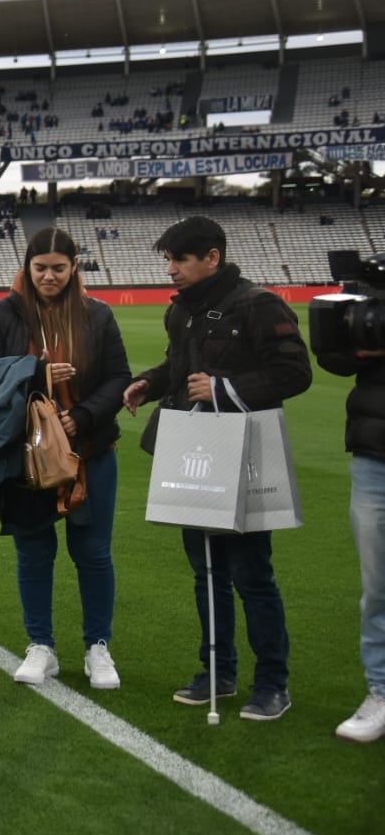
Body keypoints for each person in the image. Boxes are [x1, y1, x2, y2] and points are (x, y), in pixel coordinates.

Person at [123, 216, 312, 721]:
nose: (171, 269)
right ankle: (218, 673)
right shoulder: (181, 312)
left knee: (253, 573)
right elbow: (179, 368)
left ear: (213, 257)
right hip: (192, 449)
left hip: (243, 452)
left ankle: (273, 682)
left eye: (180, 259)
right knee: (206, 572)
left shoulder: (257, 304)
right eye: (167, 260)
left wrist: (226, 388)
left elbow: (295, 372)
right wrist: (149, 382)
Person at [0, 228, 131, 692]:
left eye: (59, 267)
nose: (49, 276)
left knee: (94, 552)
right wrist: (35, 373)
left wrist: (80, 418)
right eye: (40, 267)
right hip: (27, 456)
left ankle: (98, 646)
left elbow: (119, 376)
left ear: (75, 267)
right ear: (27, 267)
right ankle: (41, 645)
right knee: (34, 551)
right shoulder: (3, 313)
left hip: (91, 449)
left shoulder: (97, 315)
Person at [314, 336, 385, 742]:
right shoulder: (364, 289)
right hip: (374, 452)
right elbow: (331, 357)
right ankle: (381, 689)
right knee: (377, 587)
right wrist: (357, 347)